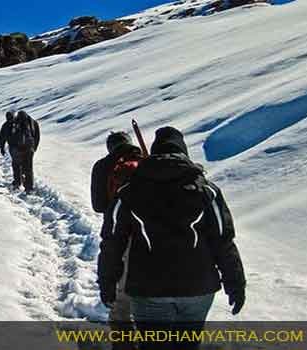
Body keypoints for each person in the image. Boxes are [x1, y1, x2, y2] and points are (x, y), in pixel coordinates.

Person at [97, 126, 246, 350]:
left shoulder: (129, 191)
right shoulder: (207, 190)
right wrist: (235, 283)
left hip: (148, 288)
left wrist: (107, 282)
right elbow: (223, 240)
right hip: (198, 287)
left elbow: (112, 242)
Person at [91, 131, 143, 350]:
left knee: (121, 301)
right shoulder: (147, 161)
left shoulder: (103, 166)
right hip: (153, 235)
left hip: (118, 234)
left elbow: (99, 206)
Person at [0, 111, 40, 192]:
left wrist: (2, 148)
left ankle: (17, 183)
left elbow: (2, 137)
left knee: (16, 165)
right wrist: (34, 147)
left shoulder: (8, 124)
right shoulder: (32, 122)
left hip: (15, 149)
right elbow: (37, 136)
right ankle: (29, 187)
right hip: (29, 148)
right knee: (28, 168)